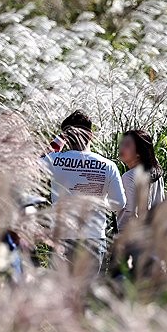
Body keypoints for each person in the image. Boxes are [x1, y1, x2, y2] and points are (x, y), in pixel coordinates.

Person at [42, 110, 125, 268]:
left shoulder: (54, 160)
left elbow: (34, 163)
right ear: (91, 136)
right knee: (88, 291)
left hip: (62, 237)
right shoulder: (108, 165)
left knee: (58, 291)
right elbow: (119, 204)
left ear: (66, 137)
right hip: (93, 238)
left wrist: (59, 140)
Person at [117, 129, 165, 231]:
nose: (121, 148)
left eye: (127, 145)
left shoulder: (129, 176)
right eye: (122, 144)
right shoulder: (156, 173)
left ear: (139, 152)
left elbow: (130, 212)